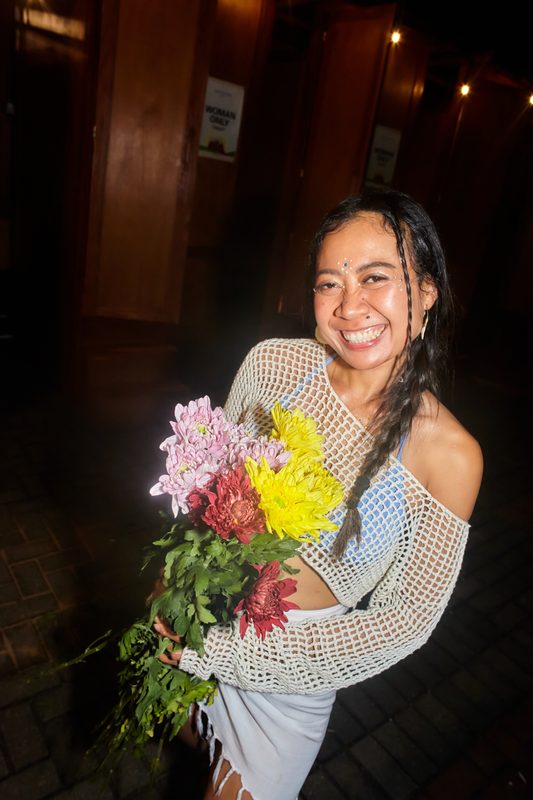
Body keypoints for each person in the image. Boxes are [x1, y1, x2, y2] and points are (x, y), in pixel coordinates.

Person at [154, 190, 483, 799]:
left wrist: (226, 655)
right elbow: (208, 487)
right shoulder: (274, 366)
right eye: (329, 282)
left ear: (428, 292)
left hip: (290, 674)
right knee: (177, 733)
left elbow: (401, 623)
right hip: (205, 612)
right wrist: (175, 589)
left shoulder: (449, 454)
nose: (350, 305)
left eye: (376, 278)